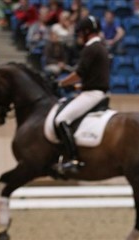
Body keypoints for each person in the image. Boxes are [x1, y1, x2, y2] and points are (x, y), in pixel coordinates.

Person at [54, 15, 110, 174]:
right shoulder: (101, 46)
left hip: (92, 94)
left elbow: (78, 73)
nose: (79, 37)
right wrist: (78, 86)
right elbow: (94, 76)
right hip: (94, 91)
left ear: (87, 32)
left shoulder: (91, 48)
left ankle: (74, 159)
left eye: (80, 34)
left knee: (61, 120)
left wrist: (60, 83)